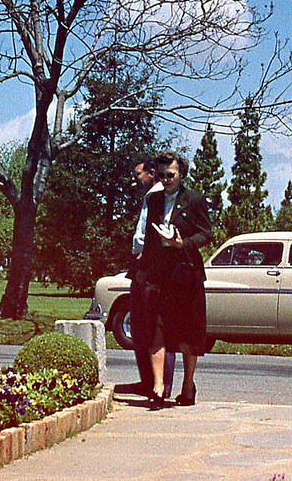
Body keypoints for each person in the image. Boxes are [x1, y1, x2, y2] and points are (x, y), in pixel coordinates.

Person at [141, 150, 213, 409]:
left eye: (170, 175)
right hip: (160, 275)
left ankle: (187, 386)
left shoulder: (195, 200)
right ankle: (158, 387)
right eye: (160, 175)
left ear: (181, 174)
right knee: (157, 329)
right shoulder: (154, 200)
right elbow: (149, 236)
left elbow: (206, 234)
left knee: (189, 333)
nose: (165, 180)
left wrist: (183, 243)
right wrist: (145, 268)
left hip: (187, 275)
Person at [125, 156, 175, 398]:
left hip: (151, 265)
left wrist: (145, 256)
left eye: (138, 174)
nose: (136, 179)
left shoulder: (158, 196)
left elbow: (154, 230)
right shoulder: (150, 196)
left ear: (152, 173)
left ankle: (161, 383)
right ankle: (149, 381)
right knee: (141, 325)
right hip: (141, 264)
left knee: (155, 324)